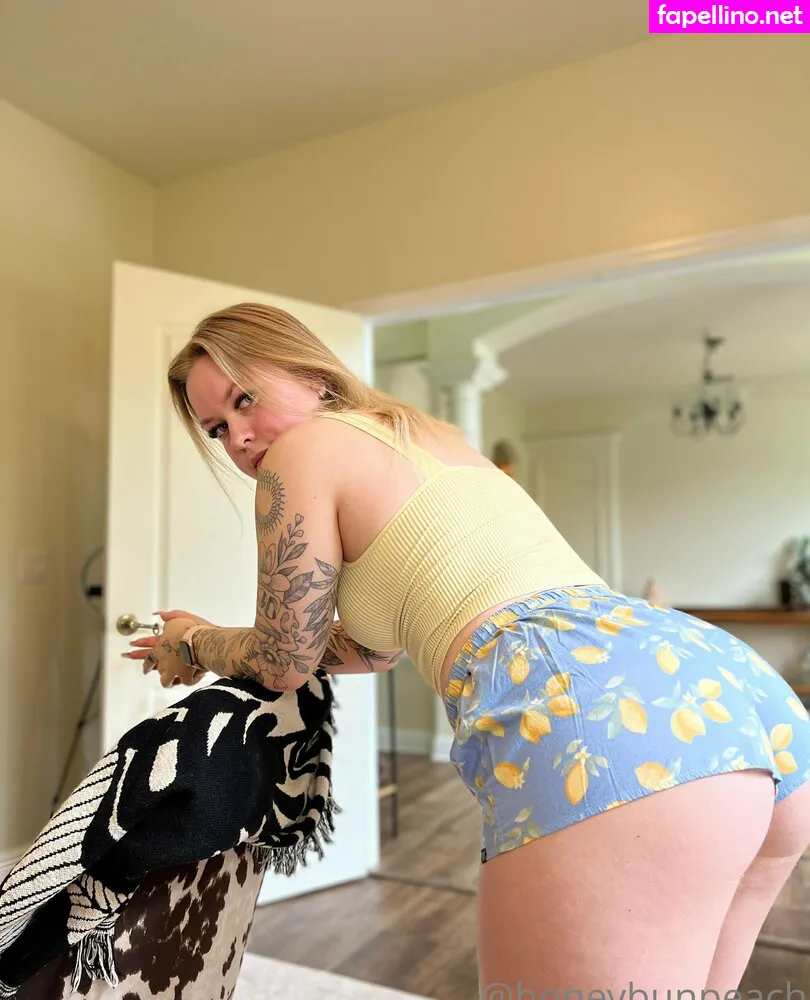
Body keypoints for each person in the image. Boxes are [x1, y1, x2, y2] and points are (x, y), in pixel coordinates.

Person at [126, 302, 810, 997]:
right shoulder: (425, 436)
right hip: (723, 683)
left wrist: (193, 640)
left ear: (312, 376)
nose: (240, 437)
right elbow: (372, 649)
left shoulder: (303, 451)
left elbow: (283, 661)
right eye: (218, 428)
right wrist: (219, 642)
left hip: (590, 705)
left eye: (244, 399)